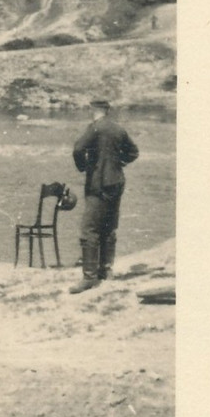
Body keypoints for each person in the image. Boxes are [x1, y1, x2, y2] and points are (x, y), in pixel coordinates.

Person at [69, 98, 139, 294]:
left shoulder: (95, 128)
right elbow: (133, 152)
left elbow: (77, 149)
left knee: (89, 229)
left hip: (98, 184)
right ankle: (106, 271)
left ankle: (89, 278)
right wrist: (118, 162)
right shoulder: (118, 129)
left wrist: (84, 167)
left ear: (92, 110)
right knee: (109, 227)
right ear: (107, 111)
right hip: (117, 181)